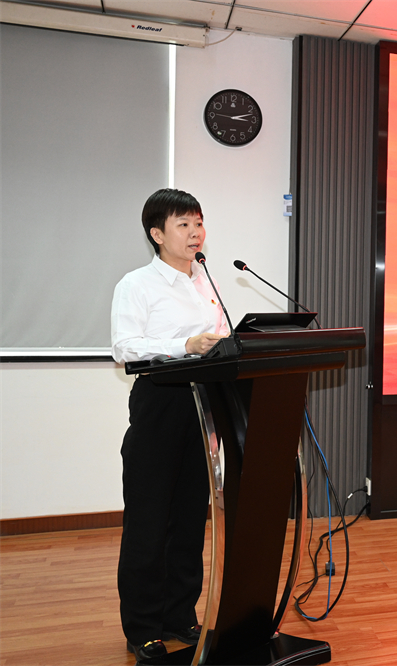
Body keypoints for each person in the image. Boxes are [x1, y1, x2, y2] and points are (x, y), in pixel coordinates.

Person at [110, 188, 228, 661]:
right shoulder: (137, 284)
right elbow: (124, 347)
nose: (195, 232)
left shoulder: (205, 281)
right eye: (184, 224)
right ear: (157, 234)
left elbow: (218, 340)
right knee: (149, 522)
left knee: (188, 522)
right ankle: (142, 628)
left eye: (198, 222)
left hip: (203, 405)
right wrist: (185, 345)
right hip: (160, 404)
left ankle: (180, 614)